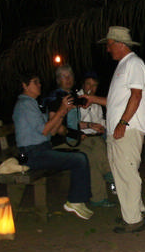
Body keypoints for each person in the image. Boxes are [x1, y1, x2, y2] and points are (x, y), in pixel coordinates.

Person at [87, 26, 145, 233]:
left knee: (126, 172)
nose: (108, 49)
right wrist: (91, 99)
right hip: (117, 129)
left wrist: (123, 123)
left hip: (127, 129)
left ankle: (132, 221)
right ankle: (136, 212)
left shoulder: (134, 63)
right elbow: (114, 101)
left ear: (120, 44)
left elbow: (136, 96)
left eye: (110, 44)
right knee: (122, 172)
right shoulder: (123, 66)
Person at [12, 72, 93, 220]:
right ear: (25, 85)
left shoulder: (34, 104)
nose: (39, 85)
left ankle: (78, 200)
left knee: (79, 156)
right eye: (35, 82)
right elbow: (44, 130)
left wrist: (63, 112)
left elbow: (51, 130)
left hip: (42, 149)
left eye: (39, 82)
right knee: (79, 159)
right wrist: (61, 110)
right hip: (32, 154)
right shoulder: (25, 104)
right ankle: (75, 201)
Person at [46, 65, 113, 207]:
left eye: (70, 76)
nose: (68, 79)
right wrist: (77, 133)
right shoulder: (55, 98)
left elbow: (74, 123)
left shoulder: (72, 97)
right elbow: (56, 128)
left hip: (73, 139)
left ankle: (99, 196)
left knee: (95, 151)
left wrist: (89, 126)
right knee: (88, 155)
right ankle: (100, 191)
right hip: (61, 143)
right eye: (64, 76)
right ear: (58, 80)